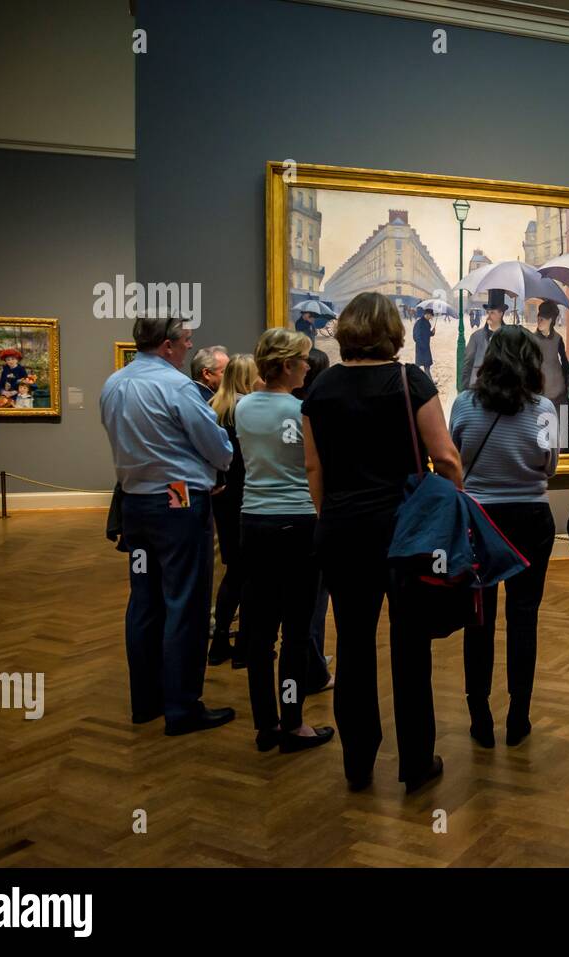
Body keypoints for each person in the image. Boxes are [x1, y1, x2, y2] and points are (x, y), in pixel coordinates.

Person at [302, 292, 463, 792]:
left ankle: (358, 762)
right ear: (393, 331)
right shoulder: (408, 380)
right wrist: (451, 507)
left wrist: (330, 515)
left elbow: (313, 467)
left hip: (343, 530)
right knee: (410, 645)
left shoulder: (320, 386)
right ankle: (415, 763)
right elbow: (447, 457)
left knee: (352, 644)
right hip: (405, 532)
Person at [100, 314, 235, 736]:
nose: (189, 350)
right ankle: (182, 707)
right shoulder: (176, 386)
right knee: (186, 602)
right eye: (187, 343)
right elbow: (215, 445)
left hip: (135, 502)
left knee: (144, 601)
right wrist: (222, 459)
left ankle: (146, 701)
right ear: (167, 346)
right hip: (178, 498)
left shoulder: (113, 384)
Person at [450, 325, 558, 748]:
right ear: (532, 362)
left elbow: (455, 460)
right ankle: (519, 716)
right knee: (524, 618)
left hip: (479, 520)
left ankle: (480, 716)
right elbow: (548, 468)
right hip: (531, 518)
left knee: (479, 619)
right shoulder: (545, 408)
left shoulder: (464, 404)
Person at [235, 329, 335, 753]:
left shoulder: (242, 407)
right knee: (295, 631)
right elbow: (316, 467)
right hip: (298, 521)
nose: (309, 367)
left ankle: (265, 726)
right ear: (288, 365)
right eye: (303, 360)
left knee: (259, 632)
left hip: (254, 520)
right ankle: (292, 722)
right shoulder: (303, 410)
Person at [208, 353, 258, 667]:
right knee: (251, 573)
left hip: (223, 496)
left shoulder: (214, 407)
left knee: (234, 571)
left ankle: (219, 641)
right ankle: (245, 648)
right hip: (247, 495)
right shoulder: (248, 409)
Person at [293, 350, 335, 695]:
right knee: (314, 600)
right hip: (309, 512)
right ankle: (313, 669)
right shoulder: (314, 413)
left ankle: (307, 662)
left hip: (263, 516)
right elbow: (316, 467)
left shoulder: (249, 407)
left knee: (291, 603)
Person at [532, 300, 569, 413]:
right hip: (540, 390)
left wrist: (568, 381)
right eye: (538, 319)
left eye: (542, 320)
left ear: (551, 320)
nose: (539, 322)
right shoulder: (531, 339)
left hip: (558, 390)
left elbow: (564, 361)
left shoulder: (558, 339)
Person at [462, 289, 507, 389]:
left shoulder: (510, 337)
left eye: (492, 313)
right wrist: (464, 392)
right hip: (478, 388)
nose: (488, 316)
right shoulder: (476, 337)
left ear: (501, 314)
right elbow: (467, 365)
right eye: (488, 312)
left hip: (502, 391)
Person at [413, 308, 435, 374]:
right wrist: (422, 345)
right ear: (427, 314)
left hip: (426, 347)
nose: (431, 317)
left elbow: (427, 334)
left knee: (427, 365)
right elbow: (416, 336)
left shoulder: (427, 322)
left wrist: (432, 333)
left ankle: (429, 381)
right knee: (418, 366)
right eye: (431, 316)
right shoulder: (419, 323)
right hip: (421, 348)